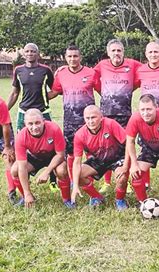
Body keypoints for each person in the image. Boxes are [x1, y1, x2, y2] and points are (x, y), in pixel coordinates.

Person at [94, 39, 159, 193]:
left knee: (128, 147)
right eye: (113, 50)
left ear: (123, 51)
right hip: (106, 114)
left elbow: (148, 70)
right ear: (108, 52)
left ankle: (139, 182)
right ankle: (107, 182)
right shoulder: (101, 65)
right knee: (107, 147)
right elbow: (88, 75)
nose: (116, 53)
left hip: (125, 115)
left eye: (119, 50)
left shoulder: (133, 65)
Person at [48, 45, 98, 180]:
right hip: (69, 122)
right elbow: (54, 92)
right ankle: (72, 179)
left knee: (90, 151)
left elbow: (103, 91)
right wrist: (35, 95)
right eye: (69, 56)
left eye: (75, 56)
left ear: (80, 57)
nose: (72, 59)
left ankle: (89, 179)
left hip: (88, 121)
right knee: (71, 152)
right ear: (65, 58)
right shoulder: (61, 74)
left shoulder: (91, 73)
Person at [71, 105, 129, 209]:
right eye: (87, 118)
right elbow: (76, 162)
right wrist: (75, 185)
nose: (90, 121)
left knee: (122, 177)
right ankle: (96, 197)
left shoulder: (111, 124)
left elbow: (129, 143)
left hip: (117, 158)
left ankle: (120, 200)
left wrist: (125, 166)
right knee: (78, 175)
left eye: (93, 117)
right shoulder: (80, 135)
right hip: (99, 160)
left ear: (101, 117)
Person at [11, 109, 71, 208]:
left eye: (37, 123)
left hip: (53, 156)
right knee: (15, 170)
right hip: (35, 157)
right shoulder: (21, 136)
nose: (34, 127)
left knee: (61, 170)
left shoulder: (54, 129)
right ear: (25, 124)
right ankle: (26, 197)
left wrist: (47, 172)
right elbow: (22, 166)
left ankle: (67, 200)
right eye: (30, 124)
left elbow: (60, 155)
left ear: (44, 121)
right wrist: (27, 193)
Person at [7, 43, 54, 130]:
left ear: (38, 54)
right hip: (24, 111)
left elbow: (54, 90)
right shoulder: (18, 70)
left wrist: (44, 98)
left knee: (47, 138)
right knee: (22, 138)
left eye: (33, 51)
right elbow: (15, 93)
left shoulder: (46, 70)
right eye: (27, 51)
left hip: (43, 111)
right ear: (24, 54)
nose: (30, 53)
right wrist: (5, 110)